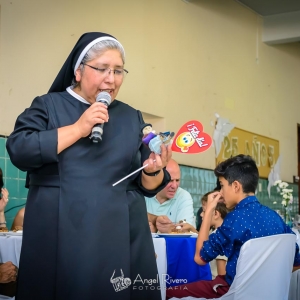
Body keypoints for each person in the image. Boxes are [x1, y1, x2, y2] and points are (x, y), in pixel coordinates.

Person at [6, 32, 172, 300]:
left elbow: (147, 184)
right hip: (62, 226)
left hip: (120, 230)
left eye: (118, 71)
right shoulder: (48, 106)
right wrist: (78, 128)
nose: (111, 78)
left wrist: (154, 169)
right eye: (102, 69)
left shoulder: (131, 116)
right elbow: (19, 149)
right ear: (79, 71)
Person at [166, 154, 300, 299]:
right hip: (271, 294)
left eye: (222, 185)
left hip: (232, 292)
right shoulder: (275, 218)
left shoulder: (233, 220)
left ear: (236, 186)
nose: (221, 192)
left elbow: (199, 258)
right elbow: (296, 262)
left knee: (169, 292)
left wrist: (210, 209)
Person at [144, 159, 194, 233]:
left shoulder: (183, 196)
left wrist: (156, 230)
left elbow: (185, 231)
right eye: (170, 180)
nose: (174, 186)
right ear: (157, 178)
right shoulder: (143, 193)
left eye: (177, 180)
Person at [200, 192, 228, 279]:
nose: (201, 214)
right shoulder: (217, 232)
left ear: (216, 214)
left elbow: (221, 275)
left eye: (204, 211)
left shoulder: (219, 237)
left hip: (214, 283)